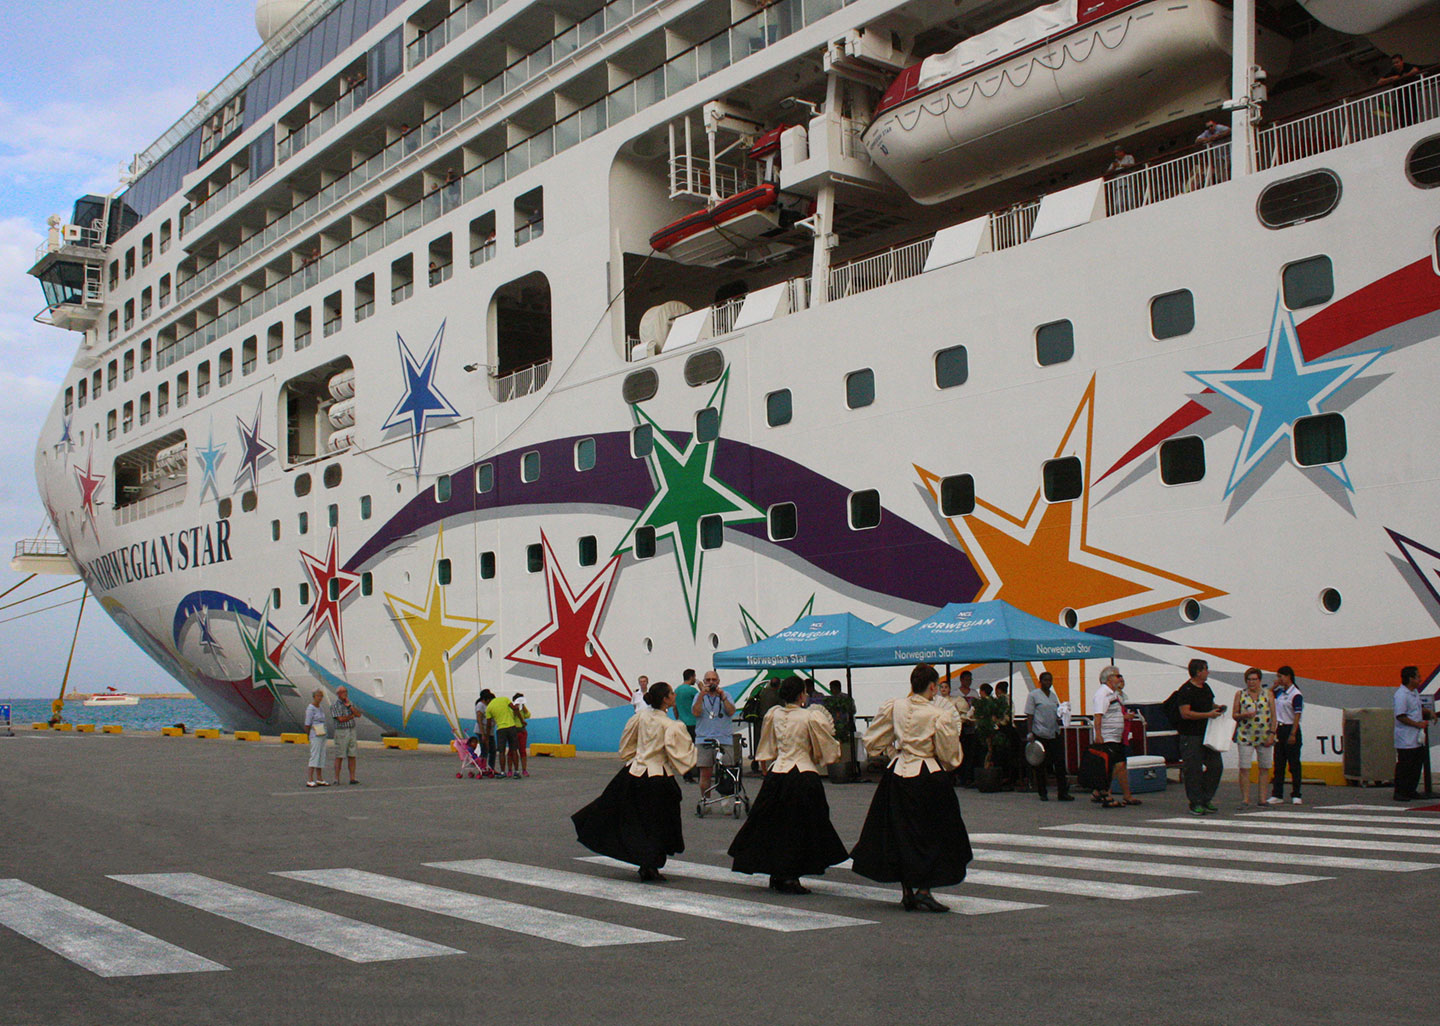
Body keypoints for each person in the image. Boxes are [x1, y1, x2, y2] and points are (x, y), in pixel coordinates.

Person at [850, 664, 972, 913]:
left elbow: (873, 740)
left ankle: (906, 889)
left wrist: (894, 751)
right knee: (934, 832)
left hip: (897, 773)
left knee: (899, 831)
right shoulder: (938, 714)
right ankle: (924, 890)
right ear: (931, 686)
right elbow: (949, 755)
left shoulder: (896, 706)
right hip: (927, 775)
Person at [728, 676, 847, 894]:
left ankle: (777, 872)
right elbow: (827, 751)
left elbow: (767, 747)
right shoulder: (810, 717)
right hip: (802, 774)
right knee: (801, 826)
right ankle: (791, 875)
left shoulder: (774, 714)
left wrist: (766, 767)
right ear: (802, 694)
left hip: (778, 773)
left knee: (772, 823)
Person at [572, 681, 696, 881]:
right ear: (665, 699)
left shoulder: (640, 717)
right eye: (671, 693)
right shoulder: (670, 725)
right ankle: (651, 863)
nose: (674, 695)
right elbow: (681, 756)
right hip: (658, 776)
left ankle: (644, 861)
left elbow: (626, 746)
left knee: (635, 819)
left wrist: (636, 758)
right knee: (659, 822)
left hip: (635, 773)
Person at [1176, 658, 1226, 815]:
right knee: (1193, 769)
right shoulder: (1186, 690)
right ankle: (1195, 802)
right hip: (1191, 736)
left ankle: (1206, 797)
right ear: (1198, 672)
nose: (1208, 672)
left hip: (1208, 734)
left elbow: (1209, 703)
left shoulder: (1206, 688)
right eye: (1205, 669)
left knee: (1216, 766)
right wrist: (1207, 714)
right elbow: (1185, 713)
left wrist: (1217, 708)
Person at [1092, 666, 1137, 807]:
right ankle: (1103, 793)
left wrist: (1124, 717)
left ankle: (1113, 794)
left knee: (1120, 764)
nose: (1120, 678)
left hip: (1116, 737)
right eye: (1118, 676)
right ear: (1109, 678)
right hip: (1108, 736)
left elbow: (1112, 713)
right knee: (1111, 766)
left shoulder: (1113, 694)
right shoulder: (1102, 694)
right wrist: (1099, 735)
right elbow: (1098, 715)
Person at [1232, 668, 1274, 805]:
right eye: (1249, 679)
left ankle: (1262, 798)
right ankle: (1245, 798)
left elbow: (1274, 716)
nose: (1252, 682)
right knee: (1244, 767)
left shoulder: (1268, 694)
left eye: (1254, 679)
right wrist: (1244, 715)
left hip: (1264, 734)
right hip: (1246, 735)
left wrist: (1272, 733)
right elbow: (1235, 714)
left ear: (1260, 680)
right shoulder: (1240, 694)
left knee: (1264, 767)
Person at [1025, 671, 1070, 801]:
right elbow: (1030, 715)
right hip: (1040, 733)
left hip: (1053, 732)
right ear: (1040, 681)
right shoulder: (1033, 695)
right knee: (1041, 764)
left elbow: (1056, 713)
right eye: (1045, 680)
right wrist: (1030, 732)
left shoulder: (1053, 696)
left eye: (1050, 680)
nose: (1048, 683)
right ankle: (1042, 792)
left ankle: (1062, 792)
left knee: (1059, 763)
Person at [693, 669, 737, 796]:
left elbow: (731, 711)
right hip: (704, 739)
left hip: (724, 739)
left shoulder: (726, 695)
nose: (711, 682)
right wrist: (702, 694)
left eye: (713, 680)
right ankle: (705, 800)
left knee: (727, 773)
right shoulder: (698, 696)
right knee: (705, 773)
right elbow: (696, 712)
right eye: (708, 680)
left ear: (718, 681)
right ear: (704, 681)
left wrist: (723, 697)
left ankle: (726, 800)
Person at [1393, 665, 1433, 801]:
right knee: (1405, 765)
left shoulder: (1414, 693)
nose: (1420, 679)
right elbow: (1401, 716)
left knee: (1417, 764)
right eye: (1418, 677)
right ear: (1410, 678)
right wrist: (1418, 724)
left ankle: (1411, 790)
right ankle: (1400, 792)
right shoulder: (1401, 695)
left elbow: (1416, 709)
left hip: (1416, 737)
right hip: (1405, 737)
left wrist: (1429, 713)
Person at [1268, 666, 1304, 805]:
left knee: (1294, 763)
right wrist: (1274, 686)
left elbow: (1297, 715)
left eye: (1281, 676)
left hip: (1291, 728)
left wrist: (1293, 733)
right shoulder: (1280, 692)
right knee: (1279, 763)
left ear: (1288, 676)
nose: (1279, 679)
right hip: (1280, 728)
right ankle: (1277, 793)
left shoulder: (1296, 694)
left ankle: (1296, 793)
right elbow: (1268, 696)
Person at [330, 685, 361, 785]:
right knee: (340, 754)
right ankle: (336, 778)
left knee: (352, 754)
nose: (345, 694)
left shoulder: (350, 703)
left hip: (351, 730)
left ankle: (352, 778)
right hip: (341, 731)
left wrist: (350, 707)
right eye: (343, 692)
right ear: (338, 694)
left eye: (346, 691)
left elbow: (359, 714)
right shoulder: (335, 705)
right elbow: (340, 719)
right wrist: (352, 716)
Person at [487, 690, 520, 778]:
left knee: (501, 752)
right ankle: (516, 771)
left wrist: (487, 736)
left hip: (501, 729)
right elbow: (515, 709)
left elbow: (489, 724)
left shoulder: (489, 707)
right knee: (514, 750)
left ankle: (502, 772)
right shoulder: (505, 699)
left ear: (488, 700)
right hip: (511, 726)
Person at [673, 669, 699, 782]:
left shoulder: (677, 690)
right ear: (691, 677)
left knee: (685, 749)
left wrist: (678, 717)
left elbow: (674, 707)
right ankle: (697, 772)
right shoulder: (692, 690)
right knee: (696, 749)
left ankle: (686, 773)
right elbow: (702, 701)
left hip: (682, 722)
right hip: (693, 723)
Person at [956, 670, 979, 786]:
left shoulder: (974, 693)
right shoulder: (955, 693)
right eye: (966, 679)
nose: (968, 682)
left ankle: (968, 776)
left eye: (970, 680)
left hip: (972, 726)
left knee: (971, 751)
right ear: (961, 680)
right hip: (960, 726)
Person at [304, 689, 328, 788]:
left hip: (322, 734)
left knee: (321, 756)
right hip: (315, 735)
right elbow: (307, 723)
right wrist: (308, 735)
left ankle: (319, 778)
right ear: (314, 697)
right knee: (314, 755)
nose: (320, 698)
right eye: (318, 696)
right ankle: (310, 779)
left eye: (321, 696)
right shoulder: (311, 708)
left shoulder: (320, 708)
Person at [474, 689, 496, 776]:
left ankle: (490, 767)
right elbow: (479, 719)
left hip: (489, 731)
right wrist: (483, 734)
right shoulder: (480, 705)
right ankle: (483, 768)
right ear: (485, 698)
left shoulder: (486, 705)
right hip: (482, 731)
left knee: (492, 750)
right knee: (485, 750)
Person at [512, 693, 531, 778]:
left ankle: (524, 769)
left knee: (522, 751)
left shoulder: (522, 709)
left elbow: (528, 715)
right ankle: (511, 769)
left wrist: (523, 706)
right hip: (514, 730)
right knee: (512, 751)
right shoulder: (512, 708)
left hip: (522, 731)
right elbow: (512, 716)